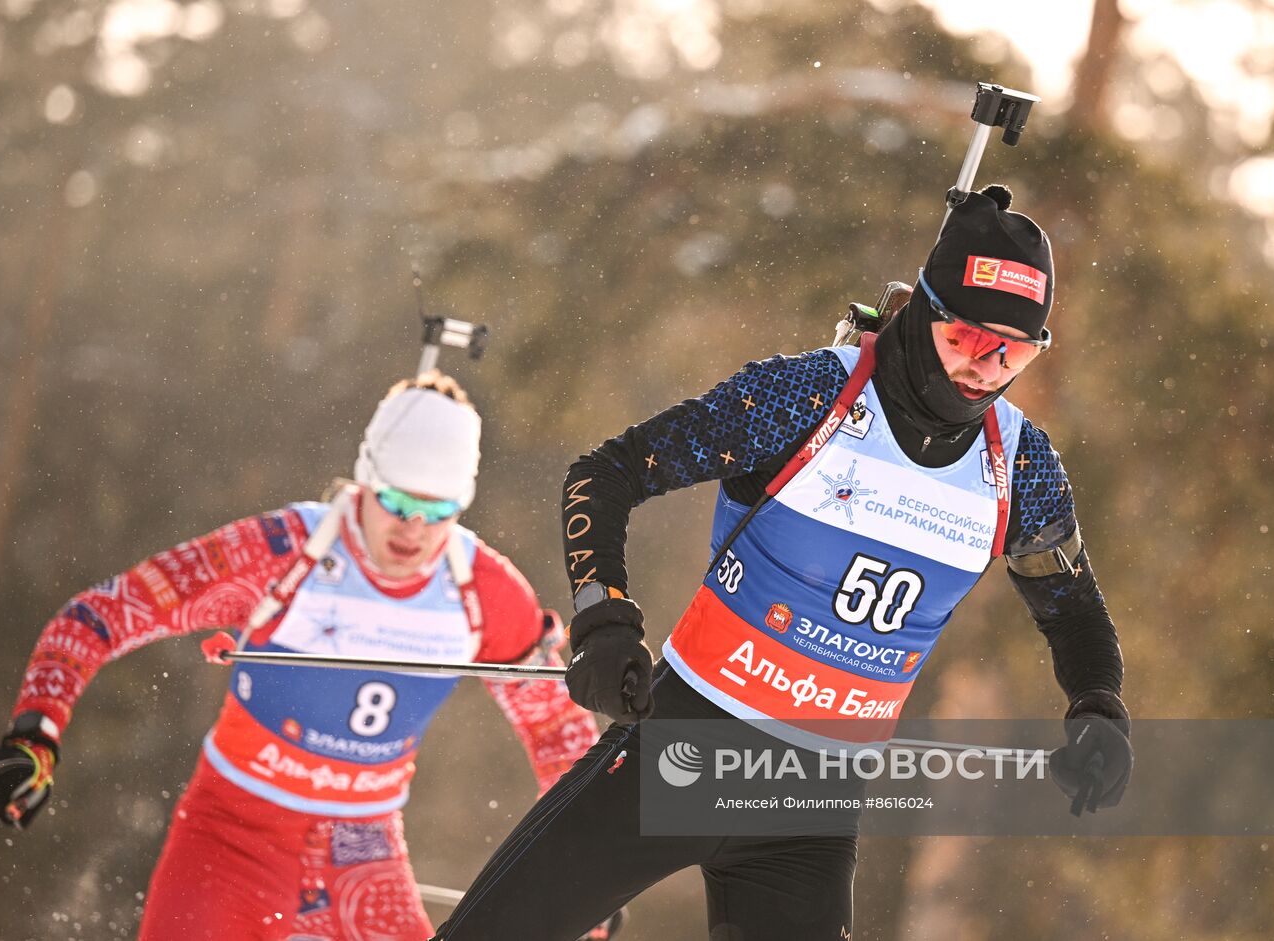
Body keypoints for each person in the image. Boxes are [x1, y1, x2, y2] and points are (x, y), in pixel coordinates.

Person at [430, 185, 1133, 940]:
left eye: (1015, 349)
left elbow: (1074, 612)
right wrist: (604, 616)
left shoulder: (1018, 462)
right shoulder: (811, 395)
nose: (986, 369)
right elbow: (606, 473)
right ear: (927, 308)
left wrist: (1098, 708)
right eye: (965, 338)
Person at [0, 373, 611, 941]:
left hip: (363, 855)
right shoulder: (281, 554)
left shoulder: (483, 591)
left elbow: (557, 731)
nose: (413, 528)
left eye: (436, 509)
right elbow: (102, 613)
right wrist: (36, 734)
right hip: (231, 837)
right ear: (365, 478)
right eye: (396, 501)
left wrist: (588, 877)